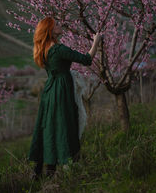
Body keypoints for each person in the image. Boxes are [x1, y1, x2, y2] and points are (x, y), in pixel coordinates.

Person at [28, 16, 102, 180]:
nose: (60, 25)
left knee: (48, 127)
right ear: (51, 30)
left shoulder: (44, 48)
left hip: (50, 90)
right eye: (57, 24)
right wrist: (96, 41)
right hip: (61, 91)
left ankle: (44, 170)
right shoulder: (58, 49)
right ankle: (63, 164)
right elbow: (86, 59)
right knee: (64, 125)